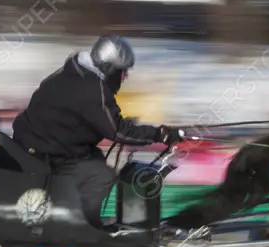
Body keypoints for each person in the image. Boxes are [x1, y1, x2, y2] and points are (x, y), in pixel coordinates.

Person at [12, 35, 184, 229]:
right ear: (109, 68)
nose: (124, 77)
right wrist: (160, 134)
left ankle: (70, 217)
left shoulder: (71, 72)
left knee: (94, 159)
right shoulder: (94, 88)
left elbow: (81, 115)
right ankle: (78, 226)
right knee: (101, 176)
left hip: (34, 144)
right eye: (122, 72)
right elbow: (119, 132)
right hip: (49, 153)